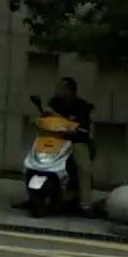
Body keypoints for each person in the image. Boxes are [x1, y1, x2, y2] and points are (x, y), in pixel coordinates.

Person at [46, 77, 97, 210]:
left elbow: (82, 126)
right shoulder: (54, 103)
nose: (58, 90)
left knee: (85, 169)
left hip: (77, 141)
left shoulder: (82, 105)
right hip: (58, 140)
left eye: (62, 88)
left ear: (70, 90)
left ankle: (86, 205)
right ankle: (39, 196)